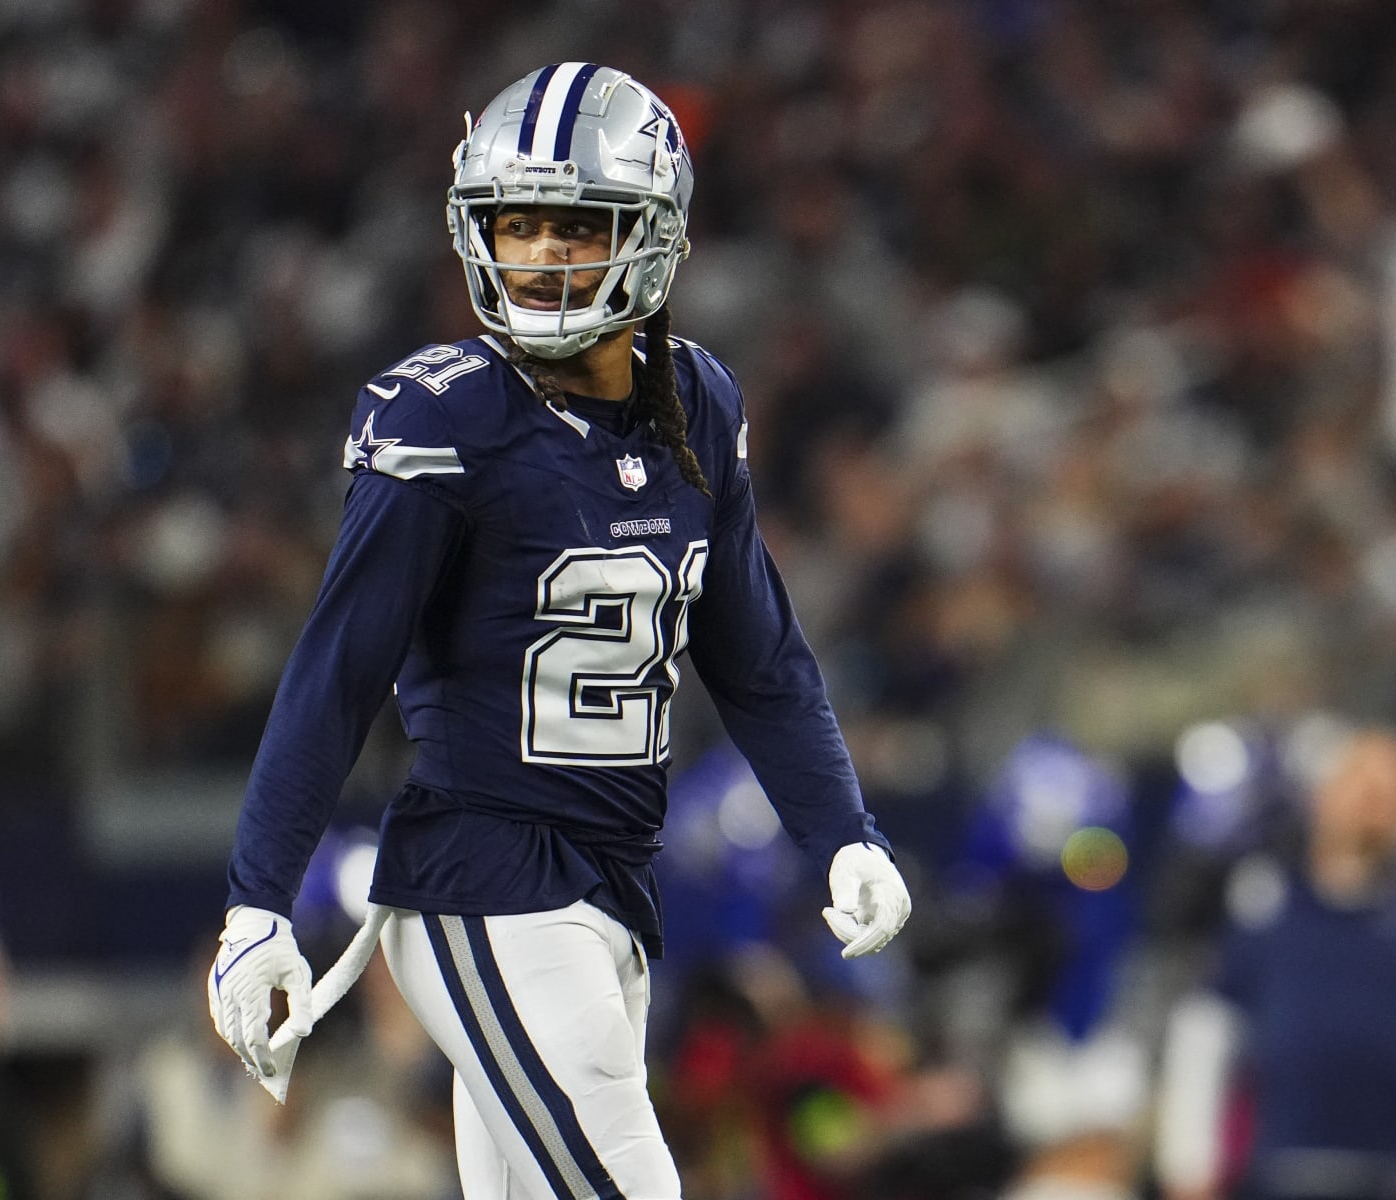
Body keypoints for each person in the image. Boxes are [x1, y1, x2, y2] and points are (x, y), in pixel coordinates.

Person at [209, 62, 911, 1199]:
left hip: (610, 886)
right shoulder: (444, 416)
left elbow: (759, 658)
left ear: (656, 236)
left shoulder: (698, 401)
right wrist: (255, 902)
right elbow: (337, 672)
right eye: (516, 225)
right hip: (484, 883)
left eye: (573, 225)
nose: (537, 255)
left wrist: (842, 832)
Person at [1155, 725, 1396, 1200]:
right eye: (1360, 781)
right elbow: (1205, 1033)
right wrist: (1188, 1165)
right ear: (1321, 794)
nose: (1374, 797)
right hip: (1279, 1168)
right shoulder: (1264, 906)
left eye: (1390, 787)